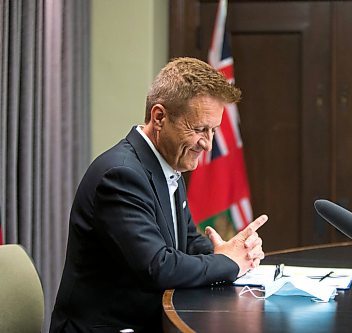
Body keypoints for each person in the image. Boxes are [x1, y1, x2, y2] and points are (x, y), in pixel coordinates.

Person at [50, 57, 268, 333]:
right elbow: (157, 266)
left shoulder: (168, 166)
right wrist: (227, 263)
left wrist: (228, 250)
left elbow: (186, 242)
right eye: (200, 129)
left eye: (213, 130)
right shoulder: (120, 175)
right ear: (159, 117)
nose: (208, 144)